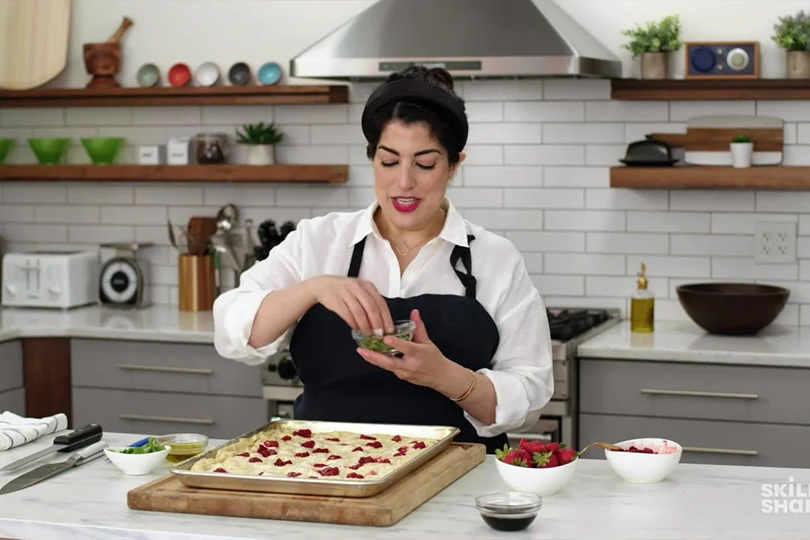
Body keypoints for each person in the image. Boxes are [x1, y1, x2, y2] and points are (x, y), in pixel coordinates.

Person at [213, 65, 553, 454]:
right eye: (389, 162)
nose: (404, 182)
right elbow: (232, 329)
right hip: (326, 472)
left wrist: (446, 377)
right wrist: (314, 289)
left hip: (454, 481)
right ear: (370, 156)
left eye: (425, 164)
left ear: (455, 164)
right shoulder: (319, 240)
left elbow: (530, 394)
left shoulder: (495, 258)